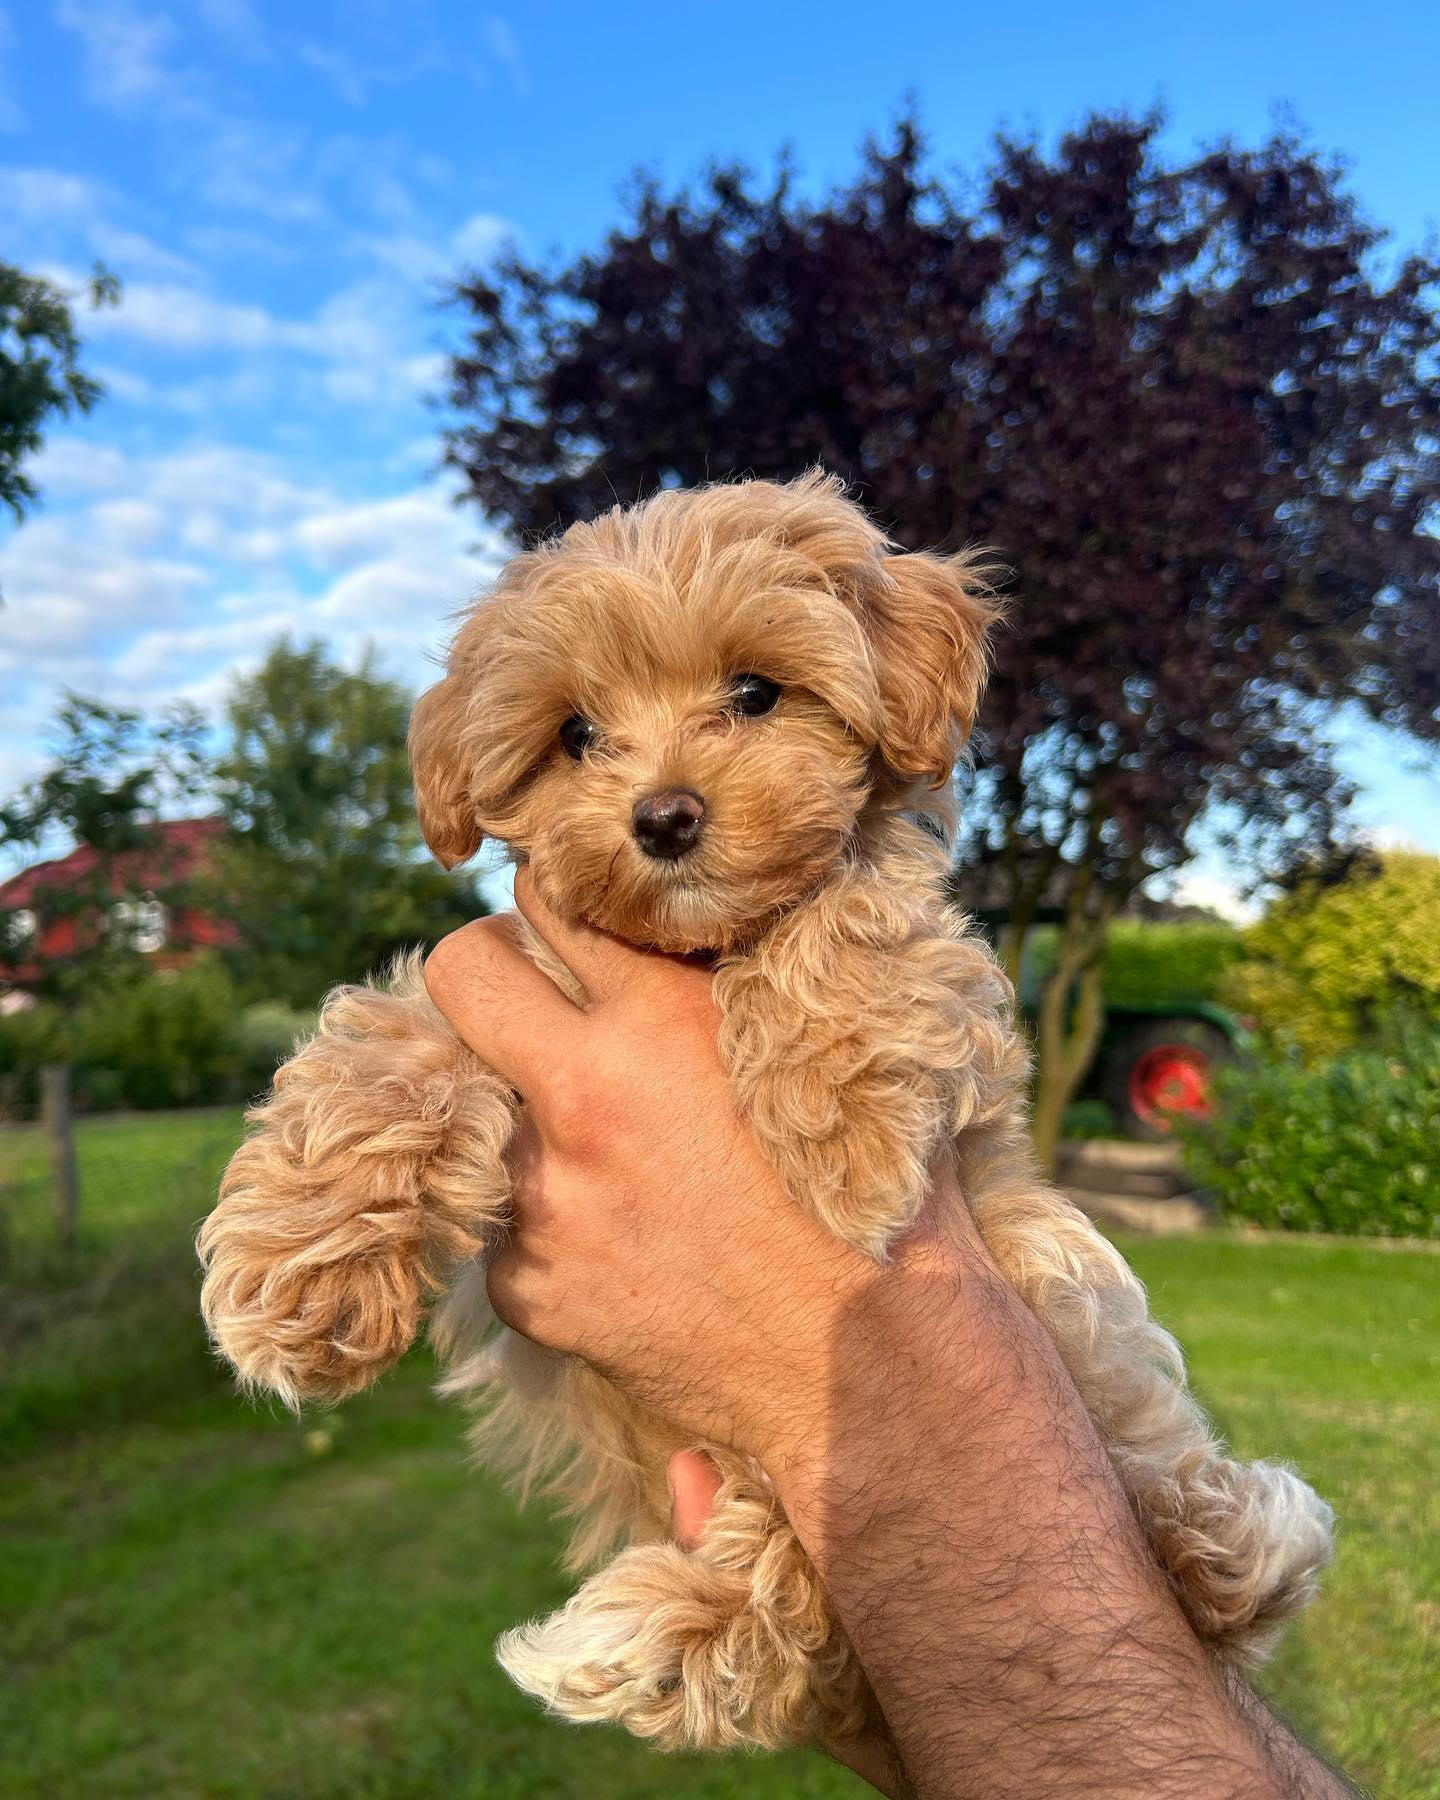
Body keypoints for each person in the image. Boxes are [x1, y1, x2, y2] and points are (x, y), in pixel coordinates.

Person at [421, 869, 1355, 1800]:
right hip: (699, 1472)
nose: (666, 791)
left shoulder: (868, 920)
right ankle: (782, 1614)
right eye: (580, 739)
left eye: (751, 707)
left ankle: (1133, 1510)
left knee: (1038, 1272)